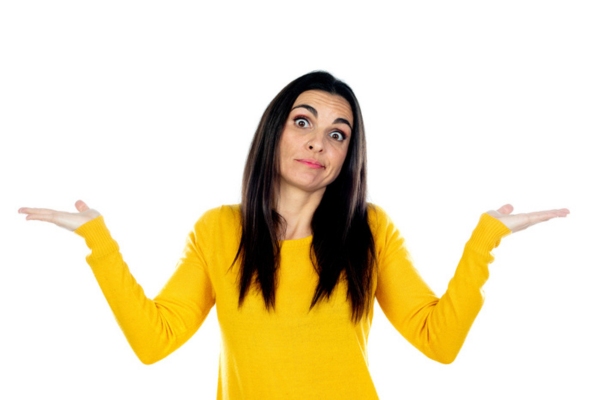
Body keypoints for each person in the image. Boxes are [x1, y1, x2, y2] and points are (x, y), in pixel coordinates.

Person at [18, 71, 569, 399]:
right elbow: (154, 341)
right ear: (274, 130)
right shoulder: (219, 229)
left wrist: (486, 239)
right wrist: (98, 239)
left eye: (337, 134)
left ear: (347, 156)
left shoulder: (369, 230)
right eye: (303, 122)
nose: (318, 144)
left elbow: (438, 342)